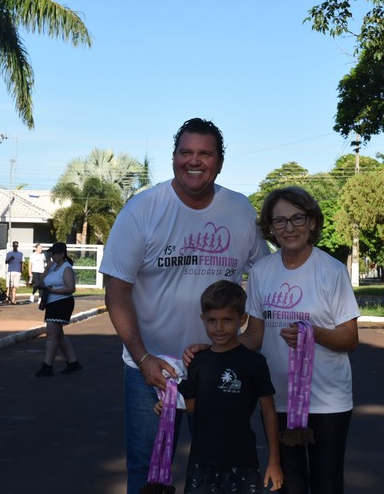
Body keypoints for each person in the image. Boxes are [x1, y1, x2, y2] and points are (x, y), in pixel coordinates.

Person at [99, 117, 269, 493]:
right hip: (152, 366)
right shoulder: (142, 210)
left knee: (222, 468)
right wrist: (142, 357)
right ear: (174, 157)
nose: (194, 161)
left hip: (218, 367)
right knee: (148, 472)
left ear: (220, 162)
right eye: (186, 152)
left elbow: (264, 276)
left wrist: (251, 339)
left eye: (205, 153)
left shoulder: (240, 211)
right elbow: (116, 291)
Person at [242, 186, 360, 494]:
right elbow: (254, 336)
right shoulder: (261, 271)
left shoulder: (332, 271)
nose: (289, 227)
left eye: (297, 218)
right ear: (269, 228)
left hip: (327, 400)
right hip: (277, 398)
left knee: (326, 483)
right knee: (288, 485)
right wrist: (213, 351)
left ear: (312, 223)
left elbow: (350, 338)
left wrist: (312, 333)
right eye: (279, 221)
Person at [155, 280, 282, 493]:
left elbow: (268, 412)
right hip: (201, 461)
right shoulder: (197, 361)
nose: (219, 327)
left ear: (242, 319)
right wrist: (169, 405)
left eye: (228, 320)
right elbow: (195, 404)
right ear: (203, 319)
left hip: (242, 462)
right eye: (212, 320)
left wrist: (274, 461)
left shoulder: (254, 363)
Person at [34, 242, 82, 377]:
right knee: (58, 335)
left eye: (55, 253)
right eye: (51, 253)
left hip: (62, 303)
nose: (52, 256)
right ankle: (73, 363)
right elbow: (41, 283)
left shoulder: (66, 268)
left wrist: (54, 290)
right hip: (51, 302)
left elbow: (71, 288)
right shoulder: (53, 266)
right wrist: (46, 269)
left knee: (51, 333)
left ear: (62, 254)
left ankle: (47, 365)